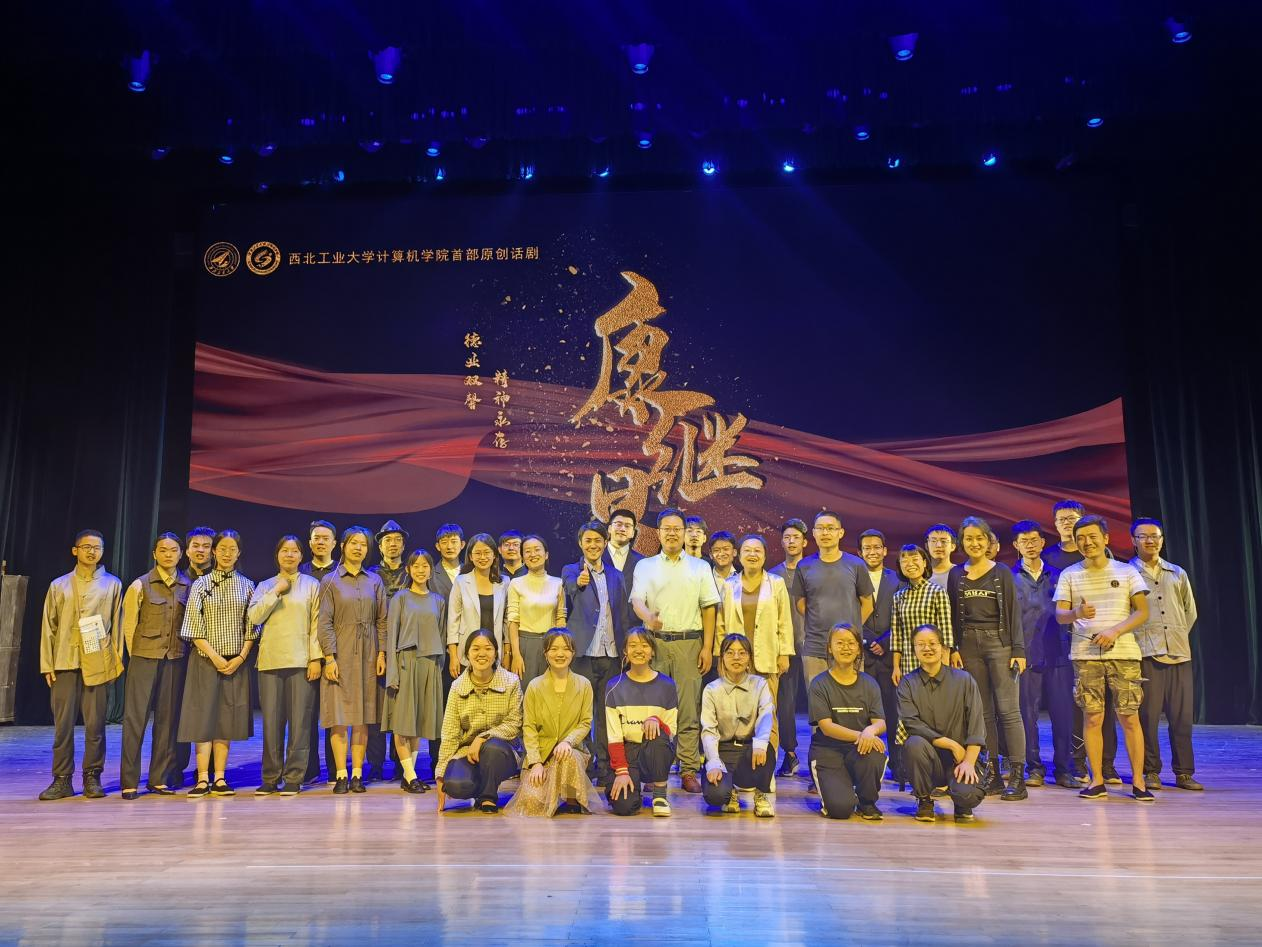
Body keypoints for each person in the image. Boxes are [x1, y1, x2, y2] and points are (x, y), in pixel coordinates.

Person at [1054, 515, 1154, 801]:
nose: (1087, 542)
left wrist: (1114, 631)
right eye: (1081, 538)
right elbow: (1060, 615)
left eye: (1092, 536)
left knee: (1130, 718)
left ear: (1106, 538)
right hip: (1085, 656)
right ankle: (1096, 780)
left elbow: (1142, 612)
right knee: (1092, 718)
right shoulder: (1070, 574)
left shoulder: (1127, 571)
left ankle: (1139, 782)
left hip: (1124, 654)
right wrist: (1076, 613)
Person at [629, 508, 720, 794]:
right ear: (658, 533)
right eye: (666, 528)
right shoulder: (645, 566)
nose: (671, 533)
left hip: (689, 643)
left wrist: (707, 647)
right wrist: (648, 617)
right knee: (652, 709)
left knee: (689, 709)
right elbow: (637, 601)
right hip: (653, 644)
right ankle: (652, 769)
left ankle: (689, 769)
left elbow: (709, 608)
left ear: (684, 533)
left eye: (677, 529)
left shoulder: (700, 567)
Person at [38, 529, 124, 801]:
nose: (91, 551)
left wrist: (114, 665)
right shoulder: (59, 585)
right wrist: (47, 664)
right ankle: (62, 779)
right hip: (64, 660)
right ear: (75, 550)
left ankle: (92, 776)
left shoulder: (112, 584)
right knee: (63, 725)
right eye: (86, 547)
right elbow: (48, 626)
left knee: (95, 724)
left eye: (97, 547)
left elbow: (118, 628)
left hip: (97, 662)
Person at [946, 516, 1028, 800]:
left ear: (989, 540)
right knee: (983, 713)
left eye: (979, 538)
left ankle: (1017, 776)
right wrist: (953, 648)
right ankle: (992, 774)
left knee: (1009, 711)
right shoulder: (956, 574)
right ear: (962, 542)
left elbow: (1014, 612)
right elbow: (952, 616)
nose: (974, 543)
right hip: (968, 645)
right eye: (969, 538)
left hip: (999, 644)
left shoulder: (1001, 572)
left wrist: (1018, 650)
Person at [177, 530, 257, 798]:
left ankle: (220, 777)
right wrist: (214, 656)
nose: (226, 553)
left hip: (236, 663)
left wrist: (241, 657)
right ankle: (202, 778)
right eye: (222, 548)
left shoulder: (247, 585)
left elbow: (252, 627)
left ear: (238, 553)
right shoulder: (201, 584)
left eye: (232, 549)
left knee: (226, 720)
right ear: (214, 552)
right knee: (202, 719)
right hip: (205, 661)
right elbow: (193, 627)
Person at [1130, 518, 1202, 790]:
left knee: (1182, 717)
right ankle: (1150, 771)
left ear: (1162, 540)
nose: (1150, 540)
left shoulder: (1177, 573)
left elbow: (1189, 611)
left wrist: (1176, 635)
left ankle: (1184, 773)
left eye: (1155, 536)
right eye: (1144, 536)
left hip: (1179, 653)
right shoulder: (1127, 574)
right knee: (1147, 717)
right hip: (1146, 654)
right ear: (1134, 541)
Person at [247, 535, 322, 796]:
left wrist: (315, 658)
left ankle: (294, 777)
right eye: (284, 551)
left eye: (294, 551)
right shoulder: (265, 585)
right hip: (270, 661)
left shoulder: (311, 584)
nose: (289, 555)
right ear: (277, 555)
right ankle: (270, 777)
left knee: (300, 723)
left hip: (301, 661)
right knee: (271, 723)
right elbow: (255, 616)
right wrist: (276, 591)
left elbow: (316, 624)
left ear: (301, 556)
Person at [118, 532, 191, 799]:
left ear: (180, 554)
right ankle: (129, 781)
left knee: (167, 721)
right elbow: (128, 625)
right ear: (154, 554)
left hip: (175, 660)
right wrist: (135, 655)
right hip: (144, 659)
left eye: (173, 550)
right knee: (135, 720)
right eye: (163, 550)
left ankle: (158, 779)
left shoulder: (188, 585)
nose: (168, 555)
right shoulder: (140, 584)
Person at [317, 525, 388, 794]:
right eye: (354, 543)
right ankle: (341, 774)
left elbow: (382, 620)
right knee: (339, 716)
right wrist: (329, 657)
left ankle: (357, 773)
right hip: (340, 653)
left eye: (363, 544)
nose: (358, 548)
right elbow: (324, 622)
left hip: (369, 654)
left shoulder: (375, 581)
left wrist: (381, 653)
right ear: (343, 546)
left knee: (362, 716)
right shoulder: (330, 581)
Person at [898, 624, 988, 823]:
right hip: (930, 759)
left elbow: (976, 725)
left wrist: (969, 762)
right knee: (913, 743)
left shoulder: (964, 680)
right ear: (913, 649)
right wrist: (951, 744)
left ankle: (961, 803)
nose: (927, 648)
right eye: (921, 644)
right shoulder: (907, 683)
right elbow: (912, 724)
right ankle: (924, 800)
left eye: (932, 643)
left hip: (961, 758)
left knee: (967, 795)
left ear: (943, 647)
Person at [562, 520, 629, 782]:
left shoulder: (616, 575)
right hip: (583, 653)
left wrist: (625, 647)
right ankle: (584, 764)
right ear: (581, 543)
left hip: (611, 654)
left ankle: (604, 766)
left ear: (605, 542)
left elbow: (621, 613)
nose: (593, 545)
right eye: (588, 540)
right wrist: (579, 583)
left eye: (598, 540)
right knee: (581, 713)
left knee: (606, 713)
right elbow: (571, 587)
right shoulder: (571, 570)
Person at [1011, 521, 1076, 788]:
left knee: (1063, 715)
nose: (1029, 545)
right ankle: (1034, 768)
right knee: (1027, 715)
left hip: (1058, 652)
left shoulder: (1060, 575)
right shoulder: (1008, 578)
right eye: (1024, 541)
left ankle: (1064, 769)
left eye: (1034, 540)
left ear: (1042, 543)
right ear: (1016, 545)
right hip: (1026, 654)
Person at [507, 629, 596, 816]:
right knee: (531, 805)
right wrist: (535, 762)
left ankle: (571, 798)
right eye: (554, 649)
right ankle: (551, 793)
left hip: (571, 752)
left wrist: (568, 741)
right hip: (542, 755)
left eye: (566, 649)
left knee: (569, 757)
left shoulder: (584, 685)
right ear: (545, 654)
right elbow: (529, 727)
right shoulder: (535, 686)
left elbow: (585, 723)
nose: (560, 654)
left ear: (573, 652)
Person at [717, 534, 793, 753]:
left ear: (765, 556)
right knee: (737, 713)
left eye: (757, 551)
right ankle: (739, 759)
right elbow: (721, 624)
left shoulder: (776, 583)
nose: (752, 555)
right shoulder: (729, 585)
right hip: (736, 660)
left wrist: (784, 653)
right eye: (747, 550)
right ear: (739, 556)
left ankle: (767, 762)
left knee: (767, 712)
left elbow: (784, 620)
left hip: (767, 659)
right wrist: (721, 657)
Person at [435, 630, 523, 813]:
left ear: (496, 653)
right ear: (467, 655)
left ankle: (488, 797)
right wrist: (441, 775)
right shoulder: (457, 687)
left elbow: (515, 723)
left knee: (492, 749)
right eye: (475, 649)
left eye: (488, 649)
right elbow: (450, 733)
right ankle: (480, 785)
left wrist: (482, 737)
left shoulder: (511, 682)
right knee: (455, 786)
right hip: (468, 752)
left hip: (503, 750)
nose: (482, 653)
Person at [382, 549, 446, 793]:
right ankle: (409, 776)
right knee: (403, 723)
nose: (421, 570)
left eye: (425, 565)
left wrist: (437, 668)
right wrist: (393, 672)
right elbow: (392, 637)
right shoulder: (400, 598)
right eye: (416, 566)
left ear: (431, 570)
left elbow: (442, 635)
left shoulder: (438, 601)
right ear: (408, 570)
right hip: (406, 662)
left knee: (418, 722)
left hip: (429, 664)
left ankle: (411, 775)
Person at [807, 624, 887, 820]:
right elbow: (826, 727)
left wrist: (870, 731)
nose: (846, 648)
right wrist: (862, 734)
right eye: (840, 643)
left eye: (851, 643)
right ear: (829, 648)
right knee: (840, 809)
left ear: (859, 648)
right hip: (828, 751)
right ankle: (840, 790)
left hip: (859, 749)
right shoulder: (819, 683)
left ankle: (866, 803)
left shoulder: (869, 683)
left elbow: (880, 722)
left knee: (876, 753)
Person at [794, 511, 874, 688]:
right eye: (820, 528)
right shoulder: (804, 566)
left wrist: (850, 631)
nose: (825, 533)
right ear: (813, 533)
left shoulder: (856, 564)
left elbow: (868, 604)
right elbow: (800, 604)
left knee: (852, 699)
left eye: (830, 528)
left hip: (849, 647)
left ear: (841, 532)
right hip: (815, 647)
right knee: (817, 699)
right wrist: (818, 621)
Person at [700, 633, 777, 817]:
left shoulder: (760, 684)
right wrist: (714, 761)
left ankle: (761, 794)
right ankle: (730, 793)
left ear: (749, 657)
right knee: (716, 796)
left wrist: (760, 743)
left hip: (750, 750)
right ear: (722, 658)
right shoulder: (711, 689)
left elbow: (766, 715)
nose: (736, 657)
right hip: (723, 750)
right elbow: (709, 730)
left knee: (765, 749)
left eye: (742, 653)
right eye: (730, 653)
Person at [604, 629, 678, 816]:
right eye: (633, 645)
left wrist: (656, 721)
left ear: (652, 651)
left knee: (658, 734)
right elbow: (614, 736)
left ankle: (659, 795)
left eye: (645, 646)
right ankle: (633, 789)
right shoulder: (613, 686)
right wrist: (622, 772)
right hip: (627, 753)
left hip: (654, 750)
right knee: (624, 806)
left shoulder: (667, 685)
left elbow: (671, 732)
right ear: (625, 651)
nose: (639, 650)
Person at [172, 525, 215, 786]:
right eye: (195, 546)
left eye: (206, 546)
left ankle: (209, 770)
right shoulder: (178, 580)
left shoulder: (221, 579)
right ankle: (175, 767)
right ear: (186, 551)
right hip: (180, 655)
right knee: (178, 713)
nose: (201, 551)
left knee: (209, 713)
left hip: (209, 657)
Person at [858, 529, 901, 779]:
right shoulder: (853, 576)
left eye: (877, 547)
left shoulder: (897, 578)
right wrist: (867, 640)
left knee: (892, 711)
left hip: (889, 655)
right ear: (860, 552)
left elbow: (904, 616)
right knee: (863, 711)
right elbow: (849, 612)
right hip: (862, 653)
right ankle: (866, 763)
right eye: (867, 548)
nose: (872, 552)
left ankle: (897, 763)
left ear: (885, 550)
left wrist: (885, 641)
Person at [769, 518, 809, 777]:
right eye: (787, 537)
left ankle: (823, 759)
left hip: (814, 646)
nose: (791, 541)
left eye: (796, 537)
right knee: (785, 704)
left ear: (805, 541)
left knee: (819, 703)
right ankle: (790, 754)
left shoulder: (814, 569)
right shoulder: (773, 575)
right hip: (785, 648)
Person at [506, 535, 567, 684]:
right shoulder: (516, 583)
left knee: (551, 690)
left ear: (546, 554)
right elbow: (512, 621)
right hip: (525, 645)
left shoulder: (558, 583)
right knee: (526, 690)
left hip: (551, 643)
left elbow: (561, 618)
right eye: (527, 551)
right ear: (523, 557)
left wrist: (560, 648)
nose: (533, 554)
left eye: (537, 550)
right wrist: (516, 655)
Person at [890, 544, 955, 684]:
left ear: (924, 563)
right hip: (908, 662)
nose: (910, 564)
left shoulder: (937, 591)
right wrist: (896, 667)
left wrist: (944, 666)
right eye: (904, 561)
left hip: (933, 660)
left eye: (915, 559)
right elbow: (896, 636)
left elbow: (945, 632)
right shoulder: (898, 596)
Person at [448, 533, 508, 673]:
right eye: (478, 553)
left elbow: (507, 621)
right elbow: (453, 621)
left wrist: (507, 653)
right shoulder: (461, 581)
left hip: (494, 651)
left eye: (487, 552)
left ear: (494, 555)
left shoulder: (505, 582)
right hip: (468, 651)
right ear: (470, 556)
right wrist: (453, 656)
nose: (482, 557)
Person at [603, 508, 644, 587]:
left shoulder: (641, 562)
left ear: (633, 533)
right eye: (618, 524)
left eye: (627, 526)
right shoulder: (595, 556)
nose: (622, 529)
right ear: (610, 528)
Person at [368, 520, 410, 598]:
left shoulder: (411, 573)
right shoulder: (371, 574)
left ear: (403, 546)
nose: (393, 544)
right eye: (387, 540)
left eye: (398, 539)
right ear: (380, 547)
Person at [1044, 500, 1087, 571]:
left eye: (1071, 518)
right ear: (1056, 524)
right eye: (1061, 519)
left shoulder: (1096, 550)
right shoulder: (1046, 556)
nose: (1066, 522)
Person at [429, 523, 465, 603]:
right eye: (444, 542)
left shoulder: (471, 572)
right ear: (438, 546)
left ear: (462, 545)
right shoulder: (430, 575)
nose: (449, 547)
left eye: (454, 542)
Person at [924, 524, 958, 590]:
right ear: (926, 546)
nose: (938, 545)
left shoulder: (960, 574)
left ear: (953, 546)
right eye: (933, 541)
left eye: (943, 541)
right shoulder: (920, 575)